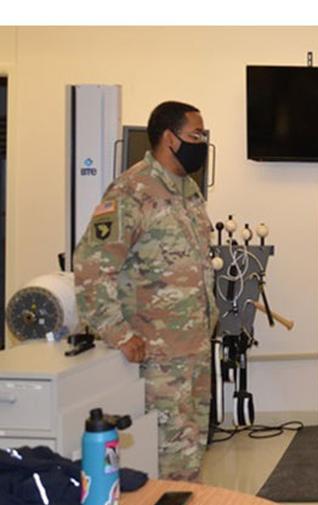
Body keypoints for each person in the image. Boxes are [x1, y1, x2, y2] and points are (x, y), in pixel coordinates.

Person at [74, 101, 215, 481]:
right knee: (168, 461)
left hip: (193, 349)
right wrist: (119, 333)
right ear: (169, 139)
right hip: (157, 355)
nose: (202, 143)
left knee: (192, 451)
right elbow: (90, 266)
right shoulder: (132, 191)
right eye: (196, 135)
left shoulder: (187, 190)